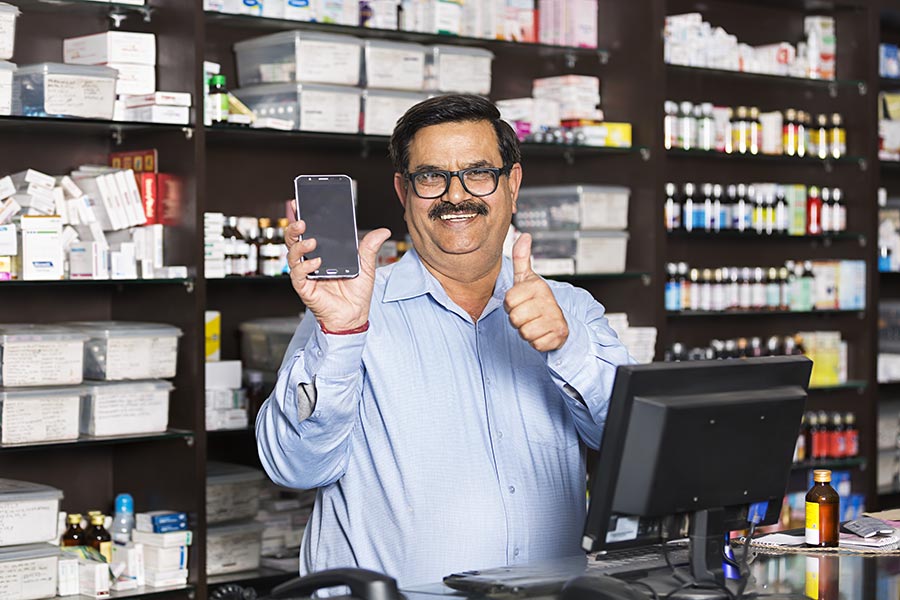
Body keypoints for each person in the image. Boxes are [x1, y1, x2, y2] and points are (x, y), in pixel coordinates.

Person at [256, 94, 633, 588]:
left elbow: (629, 446)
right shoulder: (350, 311)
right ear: (403, 190)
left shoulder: (571, 310)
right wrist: (341, 334)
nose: (456, 196)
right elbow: (293, 467)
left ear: (512, 184)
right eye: (431, 176)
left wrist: (566, 348)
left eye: (479, 173)